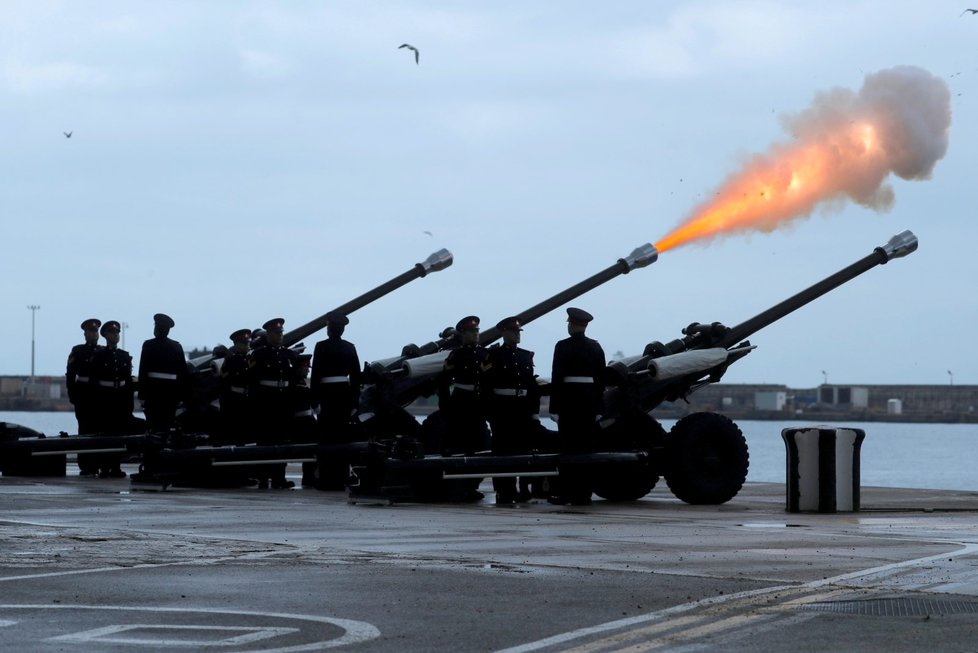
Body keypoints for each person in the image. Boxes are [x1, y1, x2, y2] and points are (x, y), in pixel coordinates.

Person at [548, 307, 606, 505]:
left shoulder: (562, 346)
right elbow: (600, 381)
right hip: (588, 403)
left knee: (568, 449)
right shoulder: (596, 347)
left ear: (572, 324)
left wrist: (554, 408)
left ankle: (567, 491)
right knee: (586, 449)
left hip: (568, 403)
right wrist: (599, 408)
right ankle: (584, 493)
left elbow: (557, 378)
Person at [483, 316, 540, 505]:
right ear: (504, 333)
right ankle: (504, 490)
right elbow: (486, 387)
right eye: (513, 331)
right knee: (502, 451)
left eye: (518, 331)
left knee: (523, 449)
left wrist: (534, 412)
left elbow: (532, 387)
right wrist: (490, 414)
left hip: (522, 408)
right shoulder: (494, 356)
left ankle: (524, 488)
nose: (517, 335)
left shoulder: (525, 356)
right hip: (502, 409)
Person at [311, 311, 361, 490]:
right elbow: (356, 378)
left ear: (329, 328)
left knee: (326, 437)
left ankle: (326, 478)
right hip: (343, 395)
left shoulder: (320, 346)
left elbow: (315, 375)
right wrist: (355, 403)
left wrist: (314, 401)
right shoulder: (350, 347)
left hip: (326, 395)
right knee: (342, 437)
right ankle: (341, 477)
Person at [249, 317, 299, 489]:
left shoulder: (289, 355)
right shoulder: (259, 354)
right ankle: (263, 477)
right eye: (276, 333)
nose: (279, 336)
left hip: (283, 402)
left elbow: (293, 381)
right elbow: (253, 381)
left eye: (281, 333)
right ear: (269, 335)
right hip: (266, 402)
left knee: (282, 441)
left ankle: (279, 477)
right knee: (265, 440)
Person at [437, 315, 489, 456]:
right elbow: (443, 381)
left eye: (477, 330)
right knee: (460, 438)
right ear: (464, 334)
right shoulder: (457, 355)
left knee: (481, 438)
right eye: (472, 331)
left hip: (479, 402)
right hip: (461, 402)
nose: (475, 334)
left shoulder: (485, 354)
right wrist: (446, 406)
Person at [89, 320, 135, 478]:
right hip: (104, 399)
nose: (116, 336)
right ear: (106, 335)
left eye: (117, 333)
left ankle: (115, 465)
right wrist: (95, 402)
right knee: (105, 434)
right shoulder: (99, 356)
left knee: (119, 434)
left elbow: (128, 382)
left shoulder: (124, 356)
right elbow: (94, 381)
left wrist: (129, 403)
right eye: (112, 333)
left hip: (120, 399)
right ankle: (104, 466)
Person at [137, 313, 190, 432]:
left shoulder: (148, 345)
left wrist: (142, 395)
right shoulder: (176, 347)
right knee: (167, 425)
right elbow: (183, 374)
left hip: (152, 394)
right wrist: (182, 396)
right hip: (171, 395)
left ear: (156, 327)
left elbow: (143, 371)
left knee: (153, 426)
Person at [66, 318, 103, 475]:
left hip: (100, 395)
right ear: (85, 334)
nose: (94, 334)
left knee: (99, 430)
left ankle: (97, 462)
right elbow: (70, 376)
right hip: (83, 395)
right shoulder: (78, 351)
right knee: (84, 429)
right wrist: (73, 395)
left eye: (95, 331)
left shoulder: (103, 351)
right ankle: (85, 464)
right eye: (91, 331)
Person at [218, 328, 253, 445]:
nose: (247, 345)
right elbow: (224, 382)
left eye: (248, 342)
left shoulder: (252, 359)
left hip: (249, 400)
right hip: (235, 402)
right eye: (244, 343)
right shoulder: (230, 361)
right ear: (236, 344)